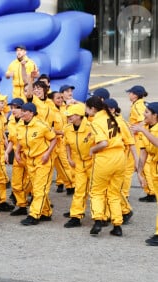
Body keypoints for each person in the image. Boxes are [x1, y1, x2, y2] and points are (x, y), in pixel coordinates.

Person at [86, 96, 126, 237]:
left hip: (105, 158)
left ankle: (98, 220)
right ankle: (117, 225)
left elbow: (103, 143)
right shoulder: (114, 118)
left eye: (87, 108)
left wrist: (92, 150)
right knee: (114, 193)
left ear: (93, 108)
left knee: (97, 191)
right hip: (120, 158)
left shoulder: (96, 121)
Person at [15, 102, 57, 226]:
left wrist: (47, 154)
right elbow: (19, 140)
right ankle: (46, 212)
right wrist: (17, 152)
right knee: (38, 188)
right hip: (29, 160)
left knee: (39, 189)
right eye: (21, 111)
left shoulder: (41, 125)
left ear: (31, 113)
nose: (21, 113)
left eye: (24, 111)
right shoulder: (20, 125)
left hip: (43, 160)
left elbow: (54, 139)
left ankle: (34, 215)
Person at [62, 104, 94, 228]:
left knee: (97, 191)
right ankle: (76, 216)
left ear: (79, 116)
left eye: (72, 115)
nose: (69, 117)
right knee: (79, 190)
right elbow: (67, 144)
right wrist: (69, 158)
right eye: (69, 115)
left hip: (92, 162)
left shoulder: (91, 127)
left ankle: (106, 215)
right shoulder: (67, 128)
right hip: (79, 163)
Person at [131, 101, 158, 246]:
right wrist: (140, 174)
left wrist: (143, 131)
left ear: (155, 115)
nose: (144, 114)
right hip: (154, 169)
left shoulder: (145, 130)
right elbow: (143, 153)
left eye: (147, 112)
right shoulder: (145, 128)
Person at [128, 85, 156, 202]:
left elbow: (142, 119)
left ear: (135, 95)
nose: (129, 95)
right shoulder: (138, 104)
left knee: (145, 166)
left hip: (140, 138)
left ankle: (151, 192)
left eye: (130, 93)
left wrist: (138, 128)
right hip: (141, 137)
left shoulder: (138, 105)